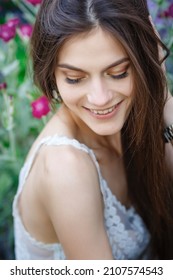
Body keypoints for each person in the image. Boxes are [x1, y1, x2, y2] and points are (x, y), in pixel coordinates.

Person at [13, 0, 173, 260]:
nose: (100, 98)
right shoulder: (65, 167)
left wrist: (163, 98)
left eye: (119, 73)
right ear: (52, 75)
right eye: (75, 79)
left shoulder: (134, 118)